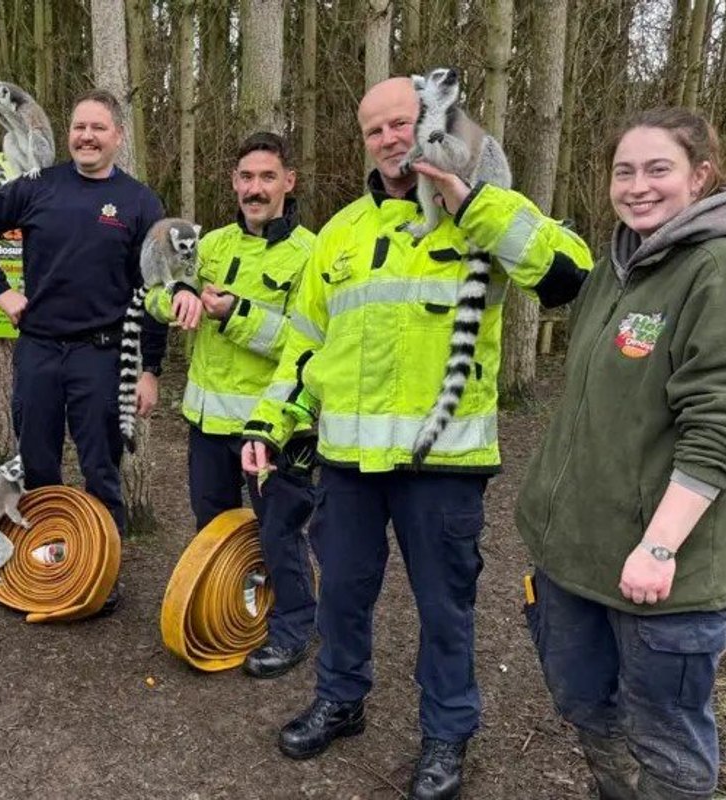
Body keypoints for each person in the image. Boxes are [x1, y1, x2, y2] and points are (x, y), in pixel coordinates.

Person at [240, 77, 593, 799]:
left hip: (443, 465)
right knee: (340, 592)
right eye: (375, 129)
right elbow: (306, 346)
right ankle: (341, 700)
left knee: (445, 609)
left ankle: (446, 733)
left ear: (433, 121)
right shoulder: (339, 233)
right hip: (345, 461)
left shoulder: (483, 209)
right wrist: (268, 424)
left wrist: (476, 205)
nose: (391, 138)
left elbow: (568, 275)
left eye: (402, 122)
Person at [516, 107, 726, 800]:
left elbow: (715, 427)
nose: (638, 186)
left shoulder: (712, 271)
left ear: (700, 176)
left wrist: (660, 548)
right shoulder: (616, 265)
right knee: (583, 704)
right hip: (575, 556)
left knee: (667, 738)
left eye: (658, 169)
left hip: (659, 577)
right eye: (625, 170)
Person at [0, 88, 166, 613]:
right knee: (38, 463)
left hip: (103, 355)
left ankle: (103, 572)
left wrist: (150, 369)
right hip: (40, 351)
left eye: (98, 128)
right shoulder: (37, 186)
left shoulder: (140, 202)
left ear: (118, 136)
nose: (86, 136)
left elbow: (158, 288)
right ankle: (45, 565)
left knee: (101, 468)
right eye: (78, 127)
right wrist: (2, 292)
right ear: (66, 133)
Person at [145, 132, 317, 677]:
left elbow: (305, 342)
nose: (255, 188)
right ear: (234, 184)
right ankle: (227, 609)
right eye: (246, 178)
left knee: (278, 531)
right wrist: (176, 295)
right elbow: (153, 291)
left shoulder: (311, 253)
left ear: (289, 183)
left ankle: (292, 628)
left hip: (274, 428)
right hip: (207, 425)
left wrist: (234, 311)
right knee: (214, 526)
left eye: (268, 177)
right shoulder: (210, 244)